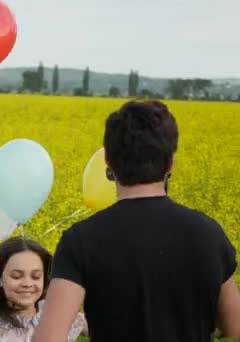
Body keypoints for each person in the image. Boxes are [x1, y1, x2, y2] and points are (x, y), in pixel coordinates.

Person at [33, 100, 240, 342]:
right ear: (170, 163)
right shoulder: (209, 234)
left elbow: (49, 338)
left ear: (108, 162)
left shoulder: (80, 240)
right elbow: (234, 328)